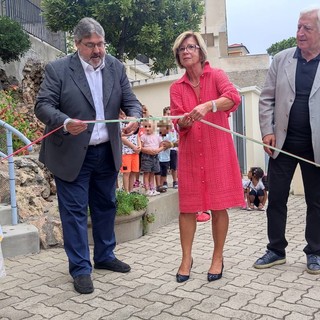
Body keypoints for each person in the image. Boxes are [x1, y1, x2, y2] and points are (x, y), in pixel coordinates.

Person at [34, 17, 142, 294]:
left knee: (106, 206)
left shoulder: (116, 66)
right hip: (71, 154)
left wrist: (134, 117)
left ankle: (105, 256)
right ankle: (81, 268)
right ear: (77, 44)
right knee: (74, 213)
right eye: (89, 45)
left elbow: (130, 100)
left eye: (100, 44)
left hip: (106, 152)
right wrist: (65, 121)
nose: (97, 51)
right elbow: (43, 105)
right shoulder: (58, 69)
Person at [170, 31, 244, 283]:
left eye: (191, 47)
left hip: (217, 151)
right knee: (187, 208)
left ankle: (217, 257)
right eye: (181, 49)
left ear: (201, 51)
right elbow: (179, 124)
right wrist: (185, 121)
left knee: (218, 204)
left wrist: (209, 105)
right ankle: (186, 258)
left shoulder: (217, 75)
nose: (186, 51)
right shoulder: (176, 87)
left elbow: (233, 98)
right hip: (191, 153)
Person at [254, 6, 320, 274]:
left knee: (316, 201)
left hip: (315, 148)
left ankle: (315, 251)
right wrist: (267, 130)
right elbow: (266, 98)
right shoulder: (281, 59)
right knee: (277, 197)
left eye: (307, 28)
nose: (300, 33)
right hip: (281, 143)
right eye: (298, 27)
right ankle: (275, 249)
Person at [140, 119, 165, 196]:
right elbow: (141, 147)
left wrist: (157, 150)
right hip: (146, 157)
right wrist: (148, 151)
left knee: (152, 173)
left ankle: (152, 188)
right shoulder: (143, 137)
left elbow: (162, 146)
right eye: (145, 126)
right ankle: (147, 189)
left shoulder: (157, 136)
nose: (147, 128)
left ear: (153, 127)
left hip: (155, 156)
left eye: (149, 126)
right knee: (146, 173)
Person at [120, 111, 142, 193]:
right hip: (126, 152)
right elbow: (121, 137)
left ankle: (131, 190)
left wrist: (140, 146)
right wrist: (133, 146)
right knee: (126, 172)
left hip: (135, 152)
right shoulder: (122, 122)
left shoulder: (136, 122)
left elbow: (137, 136)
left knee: (133, 171)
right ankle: (126, 192)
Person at [162, 106, 179, 189]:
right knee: (164, 166)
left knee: (174, 166)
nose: (169, 116)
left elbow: (178, 136)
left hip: (173, 148)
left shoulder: (175, 124)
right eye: (167, 114)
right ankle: (164, 181)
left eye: (170, 114)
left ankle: (175, 181)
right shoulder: (162, 124)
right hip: (164, 149)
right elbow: (161, 136)